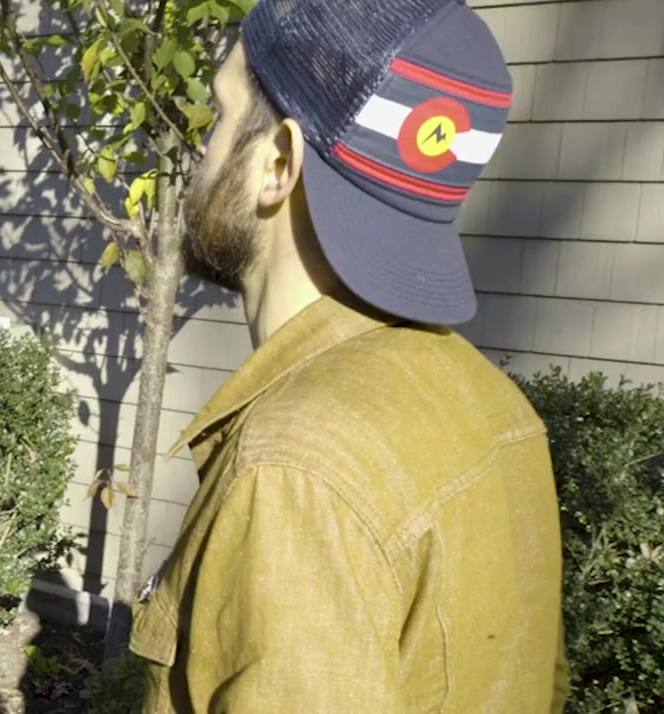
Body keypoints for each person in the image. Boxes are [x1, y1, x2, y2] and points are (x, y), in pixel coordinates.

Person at [130, 0, 568, 711]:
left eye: (219, 118)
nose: (200, 153)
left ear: (278, 164)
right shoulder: (498, 408)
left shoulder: (294, 468)